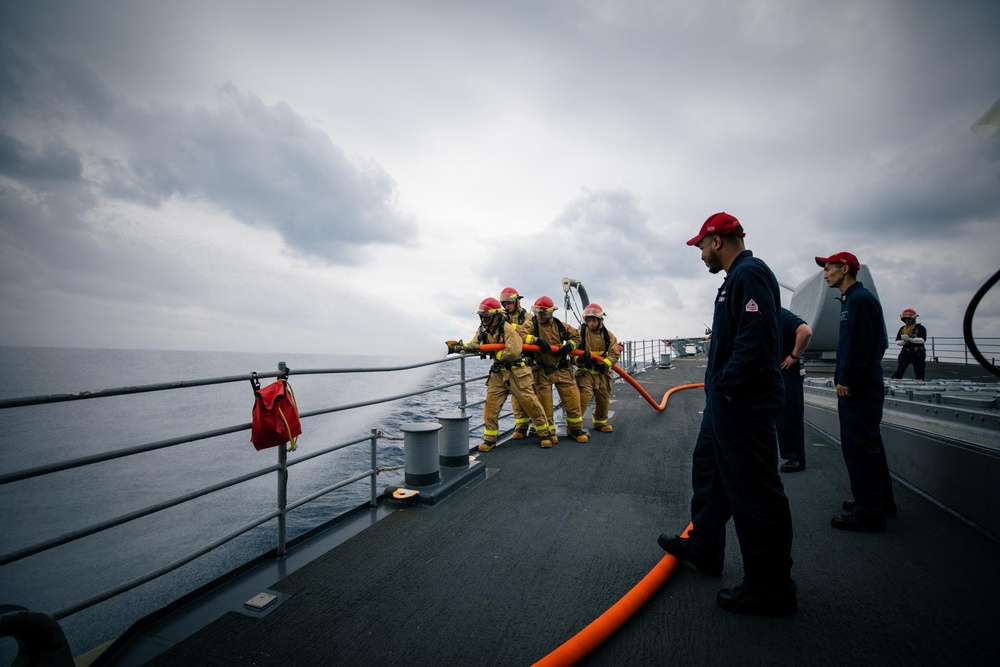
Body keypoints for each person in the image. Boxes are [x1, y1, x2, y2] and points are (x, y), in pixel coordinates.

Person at [659, 212, 796, 616]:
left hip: (742, 404)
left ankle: (770, 586)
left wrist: (730, 386)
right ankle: (705, 546)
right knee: (709, 471)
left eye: (701, 246)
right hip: (724, 403)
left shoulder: (749, 273)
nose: (700, 254)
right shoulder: (735, 279)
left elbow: (754, 340)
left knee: (754, 493)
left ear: (717, 241)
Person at [816, 251, 896, 531]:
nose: (825, 274)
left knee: (859, 447)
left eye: (828, 269)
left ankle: (869, 513)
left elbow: (860, 345)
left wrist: (847, 379)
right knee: (869, 445)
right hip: (865, 383)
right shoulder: (854, 299)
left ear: (845, 269)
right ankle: (879, 502)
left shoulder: (858, 301)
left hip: (859, 387)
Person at [460, 298, 556, 451]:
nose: (484, 319)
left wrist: (493, 352)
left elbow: (512, 351)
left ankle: (545, 434)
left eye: (487, 316)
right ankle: (490, 439)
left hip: (517, 373)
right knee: (490, 406)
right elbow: (476, 344)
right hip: (498, 374)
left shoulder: (508, 329)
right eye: (482, 316)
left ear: (497, 315)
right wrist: (461, 346)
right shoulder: (483, 329)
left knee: (531, 404)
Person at [519, 296, 589, 443]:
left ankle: (575, 429)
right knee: (544, 404)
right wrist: (535, 340)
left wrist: (570, 346)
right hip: (541, 370)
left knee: (572, 399)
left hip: (561, 368)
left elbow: (577, 336)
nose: (539, 316)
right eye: (537, 312)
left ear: (551, 313)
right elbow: (519, 334)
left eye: (543, 313)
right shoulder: (531, 324)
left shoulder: (560, 326)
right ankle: (548, 433)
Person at [776, 308, 813, 473]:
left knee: (789, 414)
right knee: (779, 415)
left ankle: (796, 458)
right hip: (777, 371)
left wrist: (793, 356)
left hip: (788, 372)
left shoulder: (780, 314)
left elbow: (805, 332)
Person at [574, 303, 620, 433]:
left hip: (602, 373)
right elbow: (573, 354)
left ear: (600, 320)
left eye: (593, 320)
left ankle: (600, 423)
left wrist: (605, 363)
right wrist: (580, 359)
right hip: (586, 372)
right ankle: (575, 426)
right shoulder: (581, 334)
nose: (591, 323)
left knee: (603, 398)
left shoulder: (609, 336)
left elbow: (614, 354)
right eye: (589, 320)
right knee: (584, 397)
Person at [499, 287, 534, 439]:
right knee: (516, 398)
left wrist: (505, 326)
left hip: (526, 363)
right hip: (508, 363)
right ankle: (521, 426)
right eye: (504, 304)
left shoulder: (528, 317)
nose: (507, 306)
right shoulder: (500, 317)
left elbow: (523, 331)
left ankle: (540, 426)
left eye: (509, 303)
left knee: (530, 396)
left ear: (517, 301)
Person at [891, 308, 927, 380]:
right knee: (899, 371)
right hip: (905, 352)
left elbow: (922, 340)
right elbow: (897, 341)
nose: (907, 320)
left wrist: (909, 339)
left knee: (919, 372)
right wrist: (903, 342)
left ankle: (920, 386)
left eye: (909, 318)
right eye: (906, 318)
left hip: (918, 353)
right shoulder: (902, 329)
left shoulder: (920, 328)